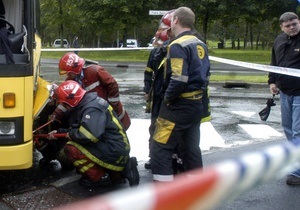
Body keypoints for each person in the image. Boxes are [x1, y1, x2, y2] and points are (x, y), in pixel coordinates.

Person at [150, 7, 211, 182]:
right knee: (191, 148)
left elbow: (178, 78)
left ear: (175, 20)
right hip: (196, 104)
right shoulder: (200, 43)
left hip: (178, 106)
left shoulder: (177, 45)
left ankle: (164, 194)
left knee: (160, 146)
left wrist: (167, 99)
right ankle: (195, 188)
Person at [51, 80, 139, 187]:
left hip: (114, 150)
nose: (64, 106)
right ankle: (121, 171)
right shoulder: (87, 103)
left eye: (64, 104)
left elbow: (88, 135)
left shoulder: (92, 109)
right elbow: (81, 129)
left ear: (70, 101)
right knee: (115, 176)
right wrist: (59, 133)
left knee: (71, 148)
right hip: (114, 147)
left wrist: (70, 135)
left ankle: (99, 178)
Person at [54, 52, 131, 131]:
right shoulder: (71, 80)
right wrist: (56, 114)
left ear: (75, 69)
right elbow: (67, 100)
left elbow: (112, 84)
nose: (67, 75)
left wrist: (113, 104)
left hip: (114, 114)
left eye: (69, 72)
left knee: (116, 135)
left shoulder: (95, 71)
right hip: (96, 114)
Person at [268, 12, 300, 185]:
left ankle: (297, 171)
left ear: (299, 22)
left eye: (294, 24)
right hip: (285, 91)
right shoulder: (279, 40)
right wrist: (272, 81)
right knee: (287, 128)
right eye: (287, 26)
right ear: (282, 27)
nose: (291, 28)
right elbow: (274, 62)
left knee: (298, 131)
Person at [143, 10, 174, 170]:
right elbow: (149, 71)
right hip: (157, 97)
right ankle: (153, 156)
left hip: (171, 97)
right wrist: (147, 89)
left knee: (170, 129)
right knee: (154, 127)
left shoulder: (177, 49)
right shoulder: (155, 52)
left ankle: (173, 156)